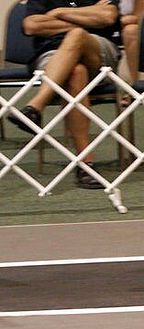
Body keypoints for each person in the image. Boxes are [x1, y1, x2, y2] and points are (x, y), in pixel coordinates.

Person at [8, 0, 121, 189]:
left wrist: (58, 12)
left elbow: (107, 17)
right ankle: (86, 165)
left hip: (97, 50)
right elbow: (31, 25)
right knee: (76, 73)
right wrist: (88, 17)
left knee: (77, 35)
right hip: (53, 53)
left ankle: (35, 106)